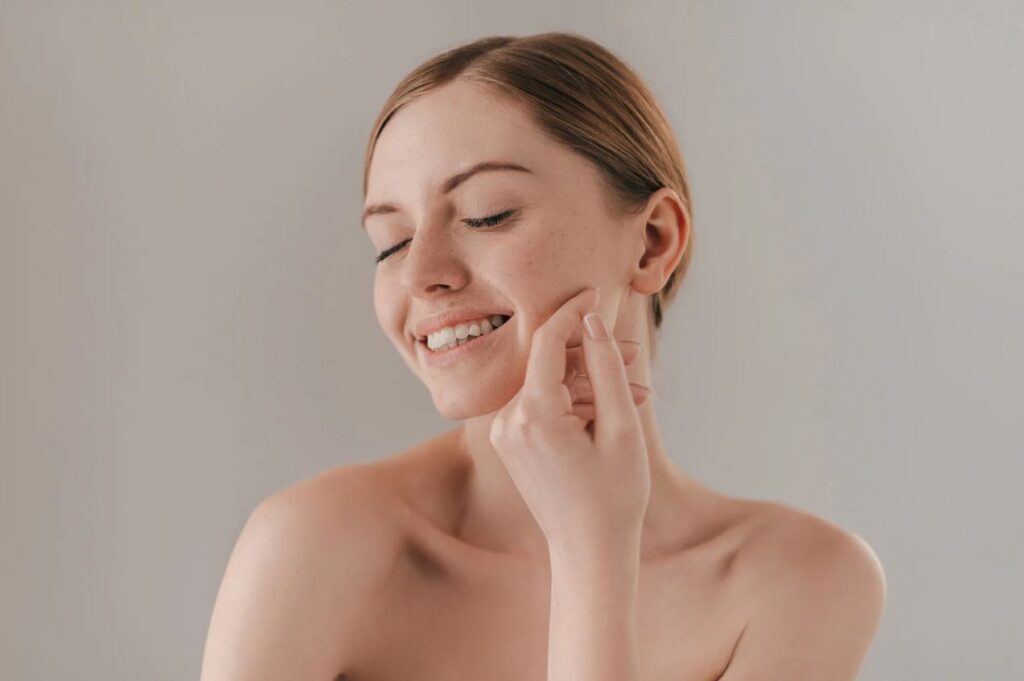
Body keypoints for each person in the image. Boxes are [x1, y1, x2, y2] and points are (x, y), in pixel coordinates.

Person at [201, 31, 886, 681]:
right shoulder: (315, 545)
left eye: (487, 214)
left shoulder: (804, 578)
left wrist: (592, 550)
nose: (420, 275)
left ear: (652, 241)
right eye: (390, 242)